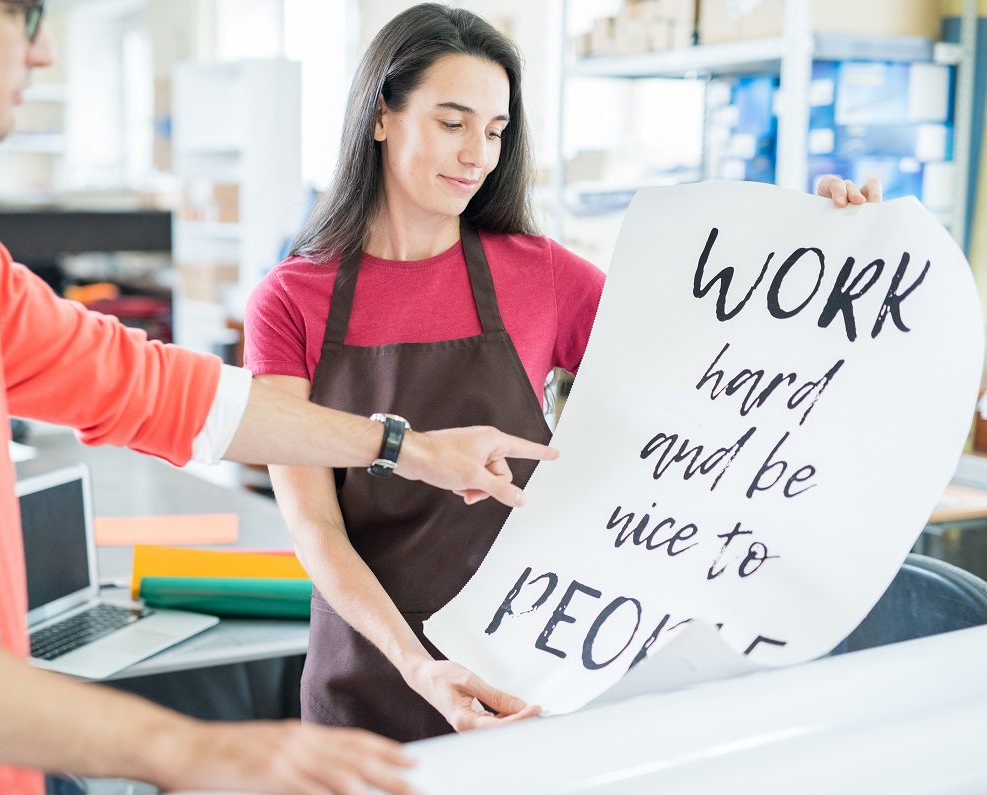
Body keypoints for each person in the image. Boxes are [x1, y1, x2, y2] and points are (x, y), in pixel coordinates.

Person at [0, 1, 563, 793]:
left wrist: (403, 446)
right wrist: (189, 749)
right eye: (20, 14)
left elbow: (151, 388)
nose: (45, 52)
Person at [244, 2, 882, 744]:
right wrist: (417, 664)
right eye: (451, 123)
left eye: (494, 130)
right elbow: (315, 526)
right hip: (369, 664)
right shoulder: (291, 299)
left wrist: (830, 254)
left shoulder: (540, 276)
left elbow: (714, 375)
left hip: (524, 662)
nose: (476, 154)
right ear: (381, 115)